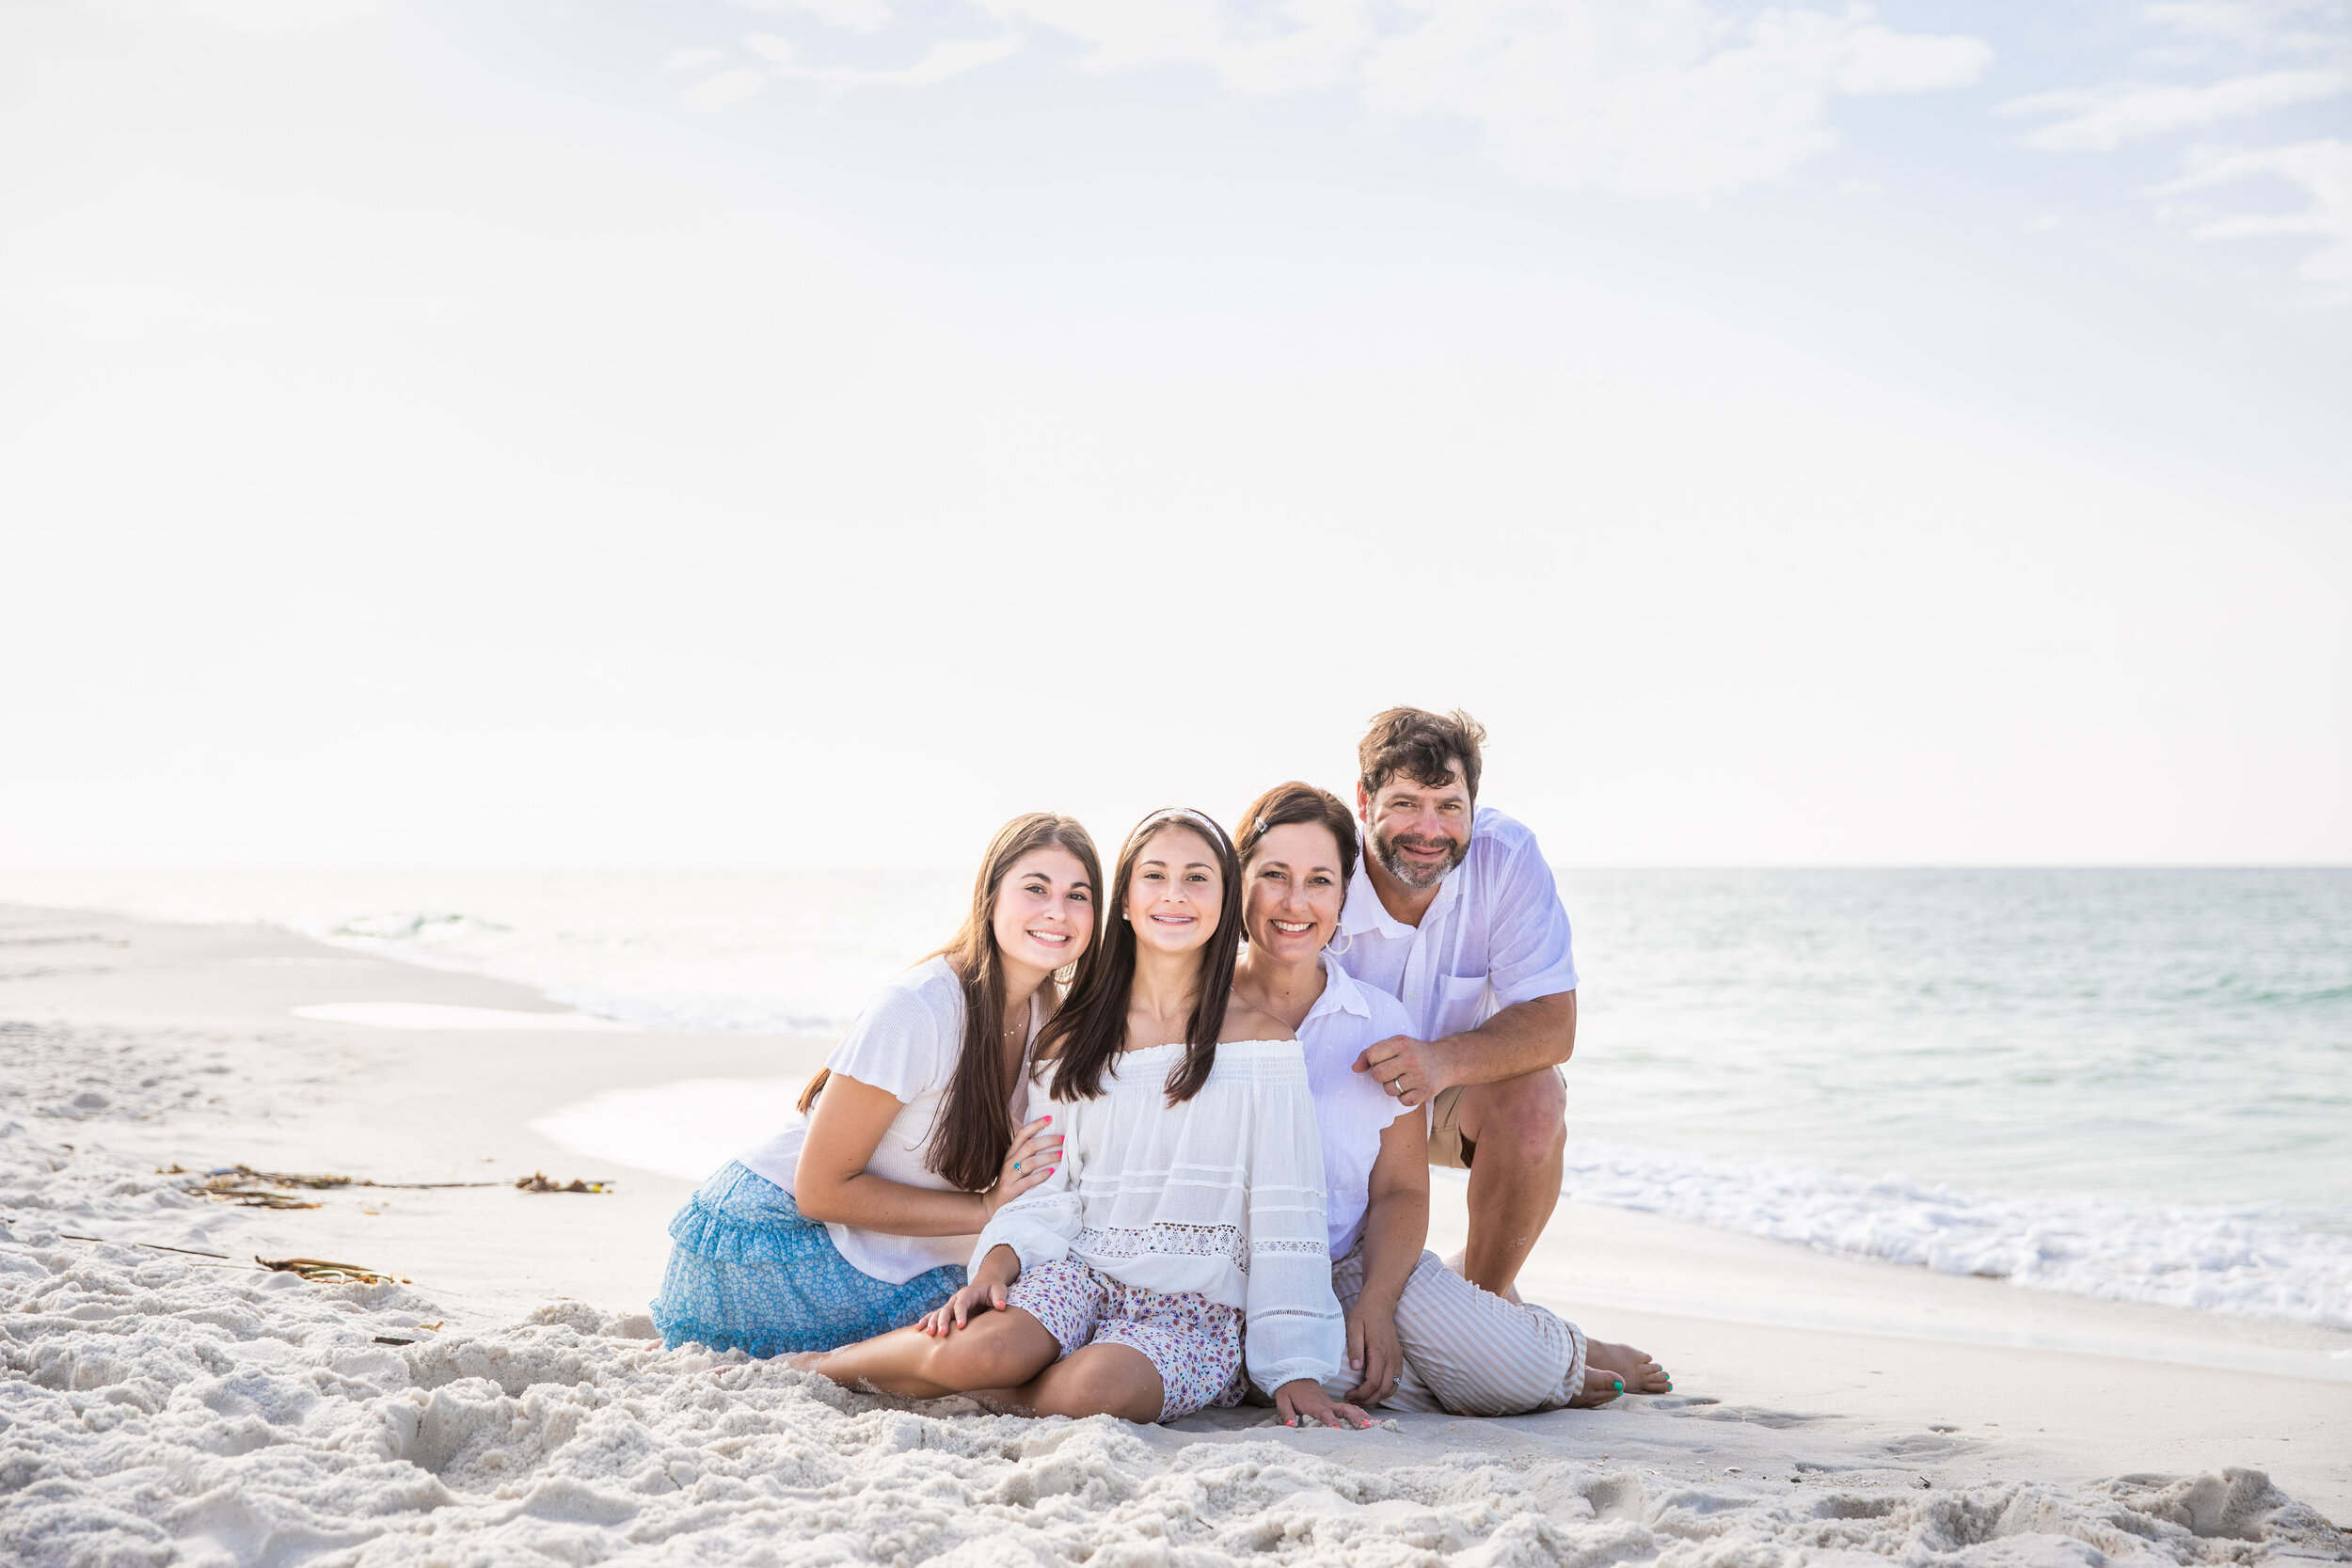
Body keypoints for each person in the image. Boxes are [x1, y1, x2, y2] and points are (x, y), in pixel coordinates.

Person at [790, 808, 1372, 1429]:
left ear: (1226, 902)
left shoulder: (1266, 1048)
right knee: (987, 1347)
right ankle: (822, 1367)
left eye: (1198, 877)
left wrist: (1295, 1367)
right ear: (1124, 899)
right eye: (1154, 875)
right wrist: (996, 1265)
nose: (1174, 893)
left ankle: (979, 1384)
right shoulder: (1070, 1044)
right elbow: (1046, 1188)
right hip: (1079, 1274)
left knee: (1091, 1389)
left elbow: (1290, 1216)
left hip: (1197, 1310)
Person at [1232, 782, 1667, 1413]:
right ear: (1238, 878)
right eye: (1274, 875)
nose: (1296, 901)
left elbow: (1401, 1190)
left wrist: (1378, 1302)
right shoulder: (1199, 1010)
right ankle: (1459, 1342)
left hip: (1352, 1261)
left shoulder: (1376, 1019)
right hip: (1237, 1278)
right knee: (1303, 1364)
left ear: (1341, 893)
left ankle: (1548, 1346)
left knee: (1520, 1375)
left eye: (1320, 881)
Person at [648, 812, 1097, 1357]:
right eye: (1035, 888)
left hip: (866, 1235)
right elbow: (821, 1189)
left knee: (1033, 1303)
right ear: (990, 897)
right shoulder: (918, 1008)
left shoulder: (1047, 1015)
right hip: (770, 1241)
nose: (1057, 911)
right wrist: (985, 1208)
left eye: (1079, 895)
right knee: (993, 1333)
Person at [1339, 707, 1580, 1303]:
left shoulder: (1505, 857)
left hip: (1447, 1092)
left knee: (1537, 1096)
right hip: (1327, 1098)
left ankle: (1488, 1303)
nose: (1430, 829)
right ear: (1364, 801)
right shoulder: (1319, 864)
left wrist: (1441, 1062)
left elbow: (1554, 1025)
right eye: (1405, 803)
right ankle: (1514, 1334)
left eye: (1448, 806)